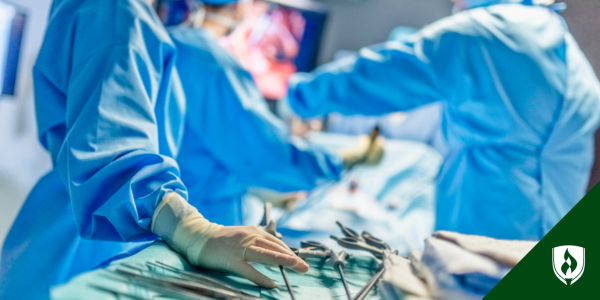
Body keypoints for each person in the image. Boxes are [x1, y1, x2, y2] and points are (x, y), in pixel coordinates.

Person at [0, 0, 381, 298]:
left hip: (69, 229)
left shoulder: (119, 16)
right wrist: (193, 230)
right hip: (98, 242)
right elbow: (114, 145)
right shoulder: (119, 14)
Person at [284, 0, 600, 240]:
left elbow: (382, 73)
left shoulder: (492, 32)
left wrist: (299, 95)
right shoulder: (558, 41)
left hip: (502, 241)